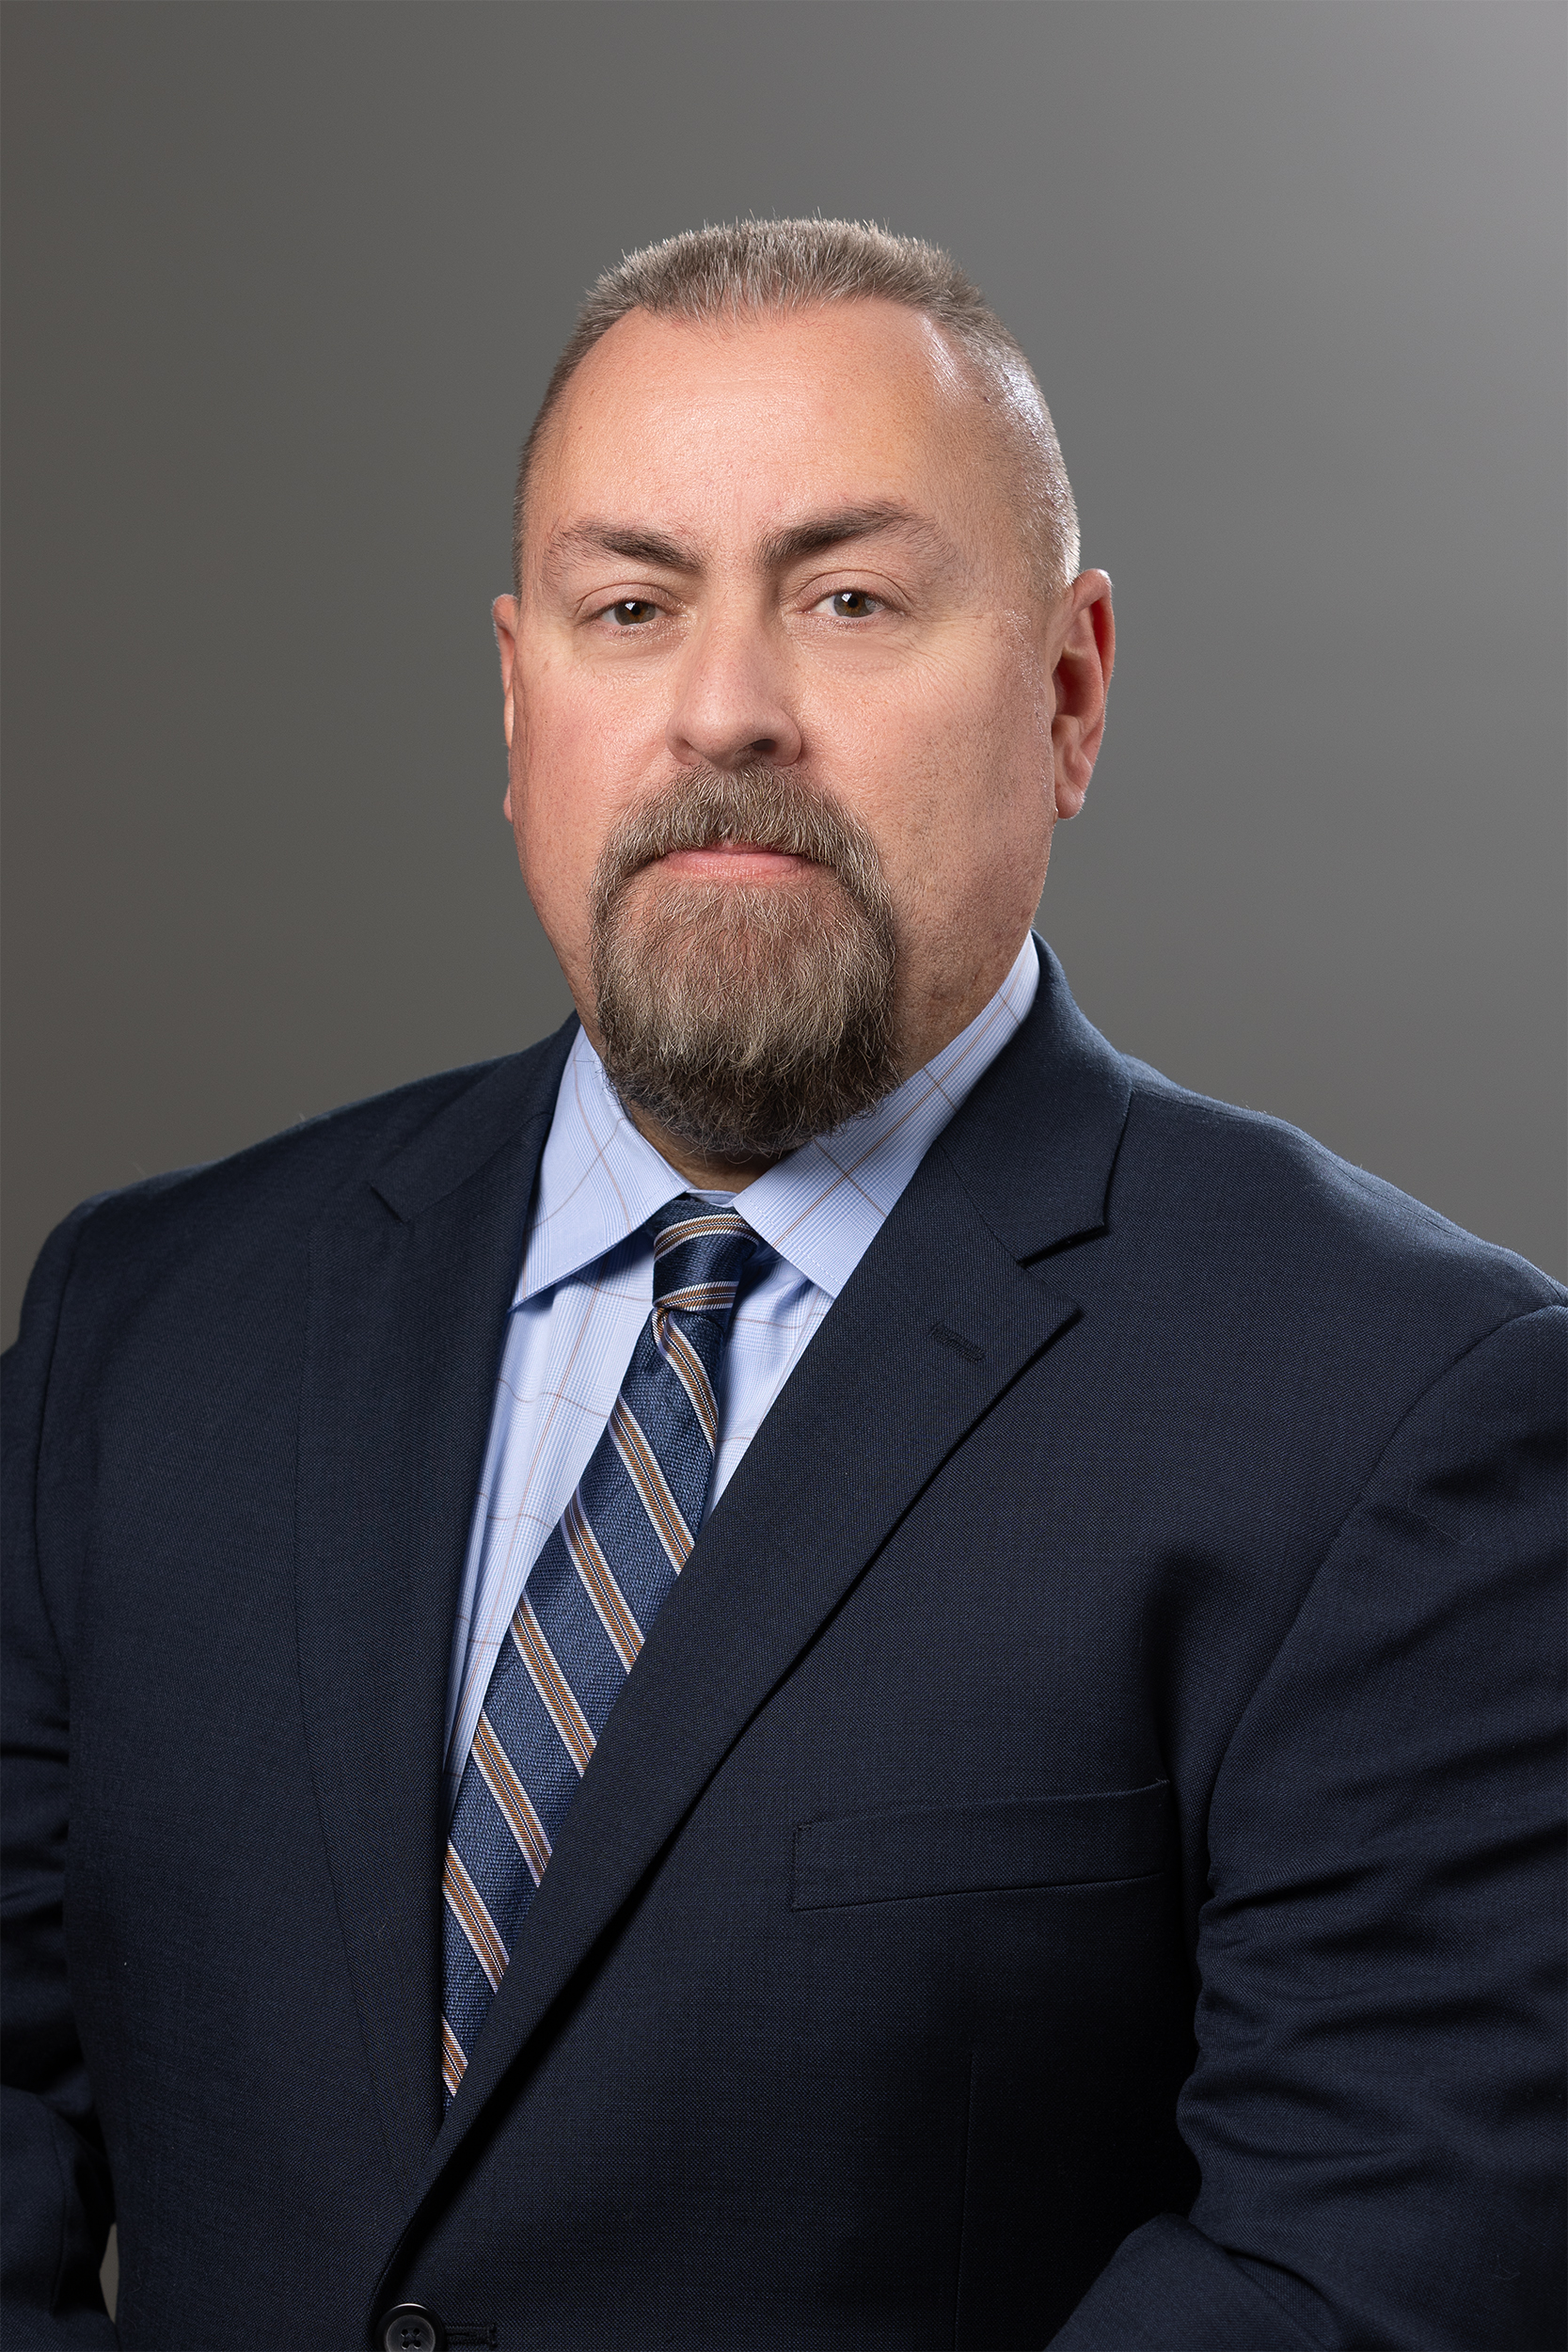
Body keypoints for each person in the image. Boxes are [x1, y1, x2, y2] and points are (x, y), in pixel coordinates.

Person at [3, 218, 1561, 2352]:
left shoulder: (1409, 1409)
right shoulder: (143, 1332)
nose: (725, 710)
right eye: (631, 606)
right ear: (519, 698)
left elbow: (1348, 2273)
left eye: (849, 600)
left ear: (1070, 689)